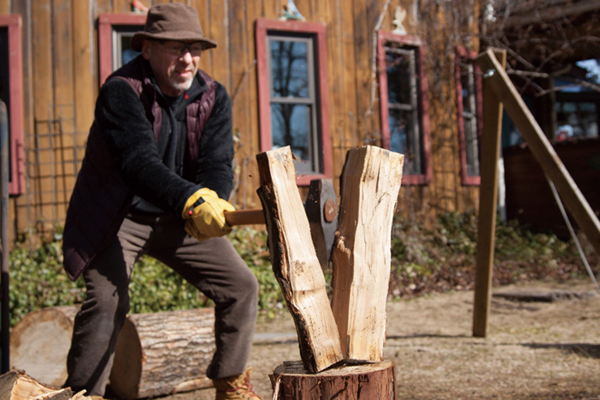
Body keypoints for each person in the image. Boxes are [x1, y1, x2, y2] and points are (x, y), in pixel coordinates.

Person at [61, 4, 261, 400]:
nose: (187, 59)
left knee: (242, 286)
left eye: (195, 49)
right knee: (106, 299)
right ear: (148, 49)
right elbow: (138, 163)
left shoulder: (213, 96)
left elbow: (217, 163)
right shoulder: (121, 90)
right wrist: (191, 198)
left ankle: (231, 385)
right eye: (175, 48)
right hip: (117, 216)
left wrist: (214, 201)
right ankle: (83, 395)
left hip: (178, 215)